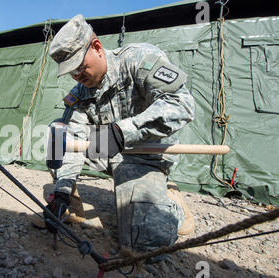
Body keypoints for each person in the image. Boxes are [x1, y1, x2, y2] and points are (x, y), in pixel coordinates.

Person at [45, 14, 195, 258]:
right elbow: (71, 140)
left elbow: (182, 104)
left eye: (80, 68)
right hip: (107, 151)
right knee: (58, 131)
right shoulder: (81, 92)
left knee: (144, 245)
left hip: (145, 157)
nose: (78, 77)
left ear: (96, 47)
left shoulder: (139, 59)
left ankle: (171, 199)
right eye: (71, 72)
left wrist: (123, 133)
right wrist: (61, 189)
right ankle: (69, 203)